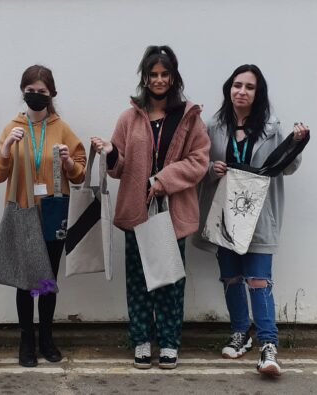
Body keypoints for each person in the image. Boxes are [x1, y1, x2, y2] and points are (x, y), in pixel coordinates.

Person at [91, 45, 210, 370]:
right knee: (139, 280)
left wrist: (163, 178)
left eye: (164, 74)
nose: (159, 80)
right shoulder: (129, 117)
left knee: (171, 281)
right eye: (153, 74)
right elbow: (118, 168)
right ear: (145, 77)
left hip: (174, 213)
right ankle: (142, 340)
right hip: (138, 211)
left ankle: (170, 343)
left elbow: (200, 161)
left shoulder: (188, 116)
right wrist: (110, 152)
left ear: (173, 77)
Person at [193, 64, 309, 377]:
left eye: (249, 87)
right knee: (230, 277)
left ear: (258, 94)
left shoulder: (271, 128)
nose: (242, 91)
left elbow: (287, 167)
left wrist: (296, 143)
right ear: (228, 89)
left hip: (259, 217)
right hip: (224, 216)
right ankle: (241, 333)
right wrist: (211, 171)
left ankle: (269, 346)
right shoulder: (213, 126)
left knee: (259, 280)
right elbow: (197, 164)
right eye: (237, 85)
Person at [0, 65, 86, 368]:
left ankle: (46, 337)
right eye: (30, 91)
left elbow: (80, 172)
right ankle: (26, 340)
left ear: (51, 94)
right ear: (23, 92)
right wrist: (6, 148)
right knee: (24, 280)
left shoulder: (61, 128)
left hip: (54, 211)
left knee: (46, 278)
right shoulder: (12, 127)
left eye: (42, 92)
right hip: (22, 210)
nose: (35, 96)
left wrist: (69, 162)